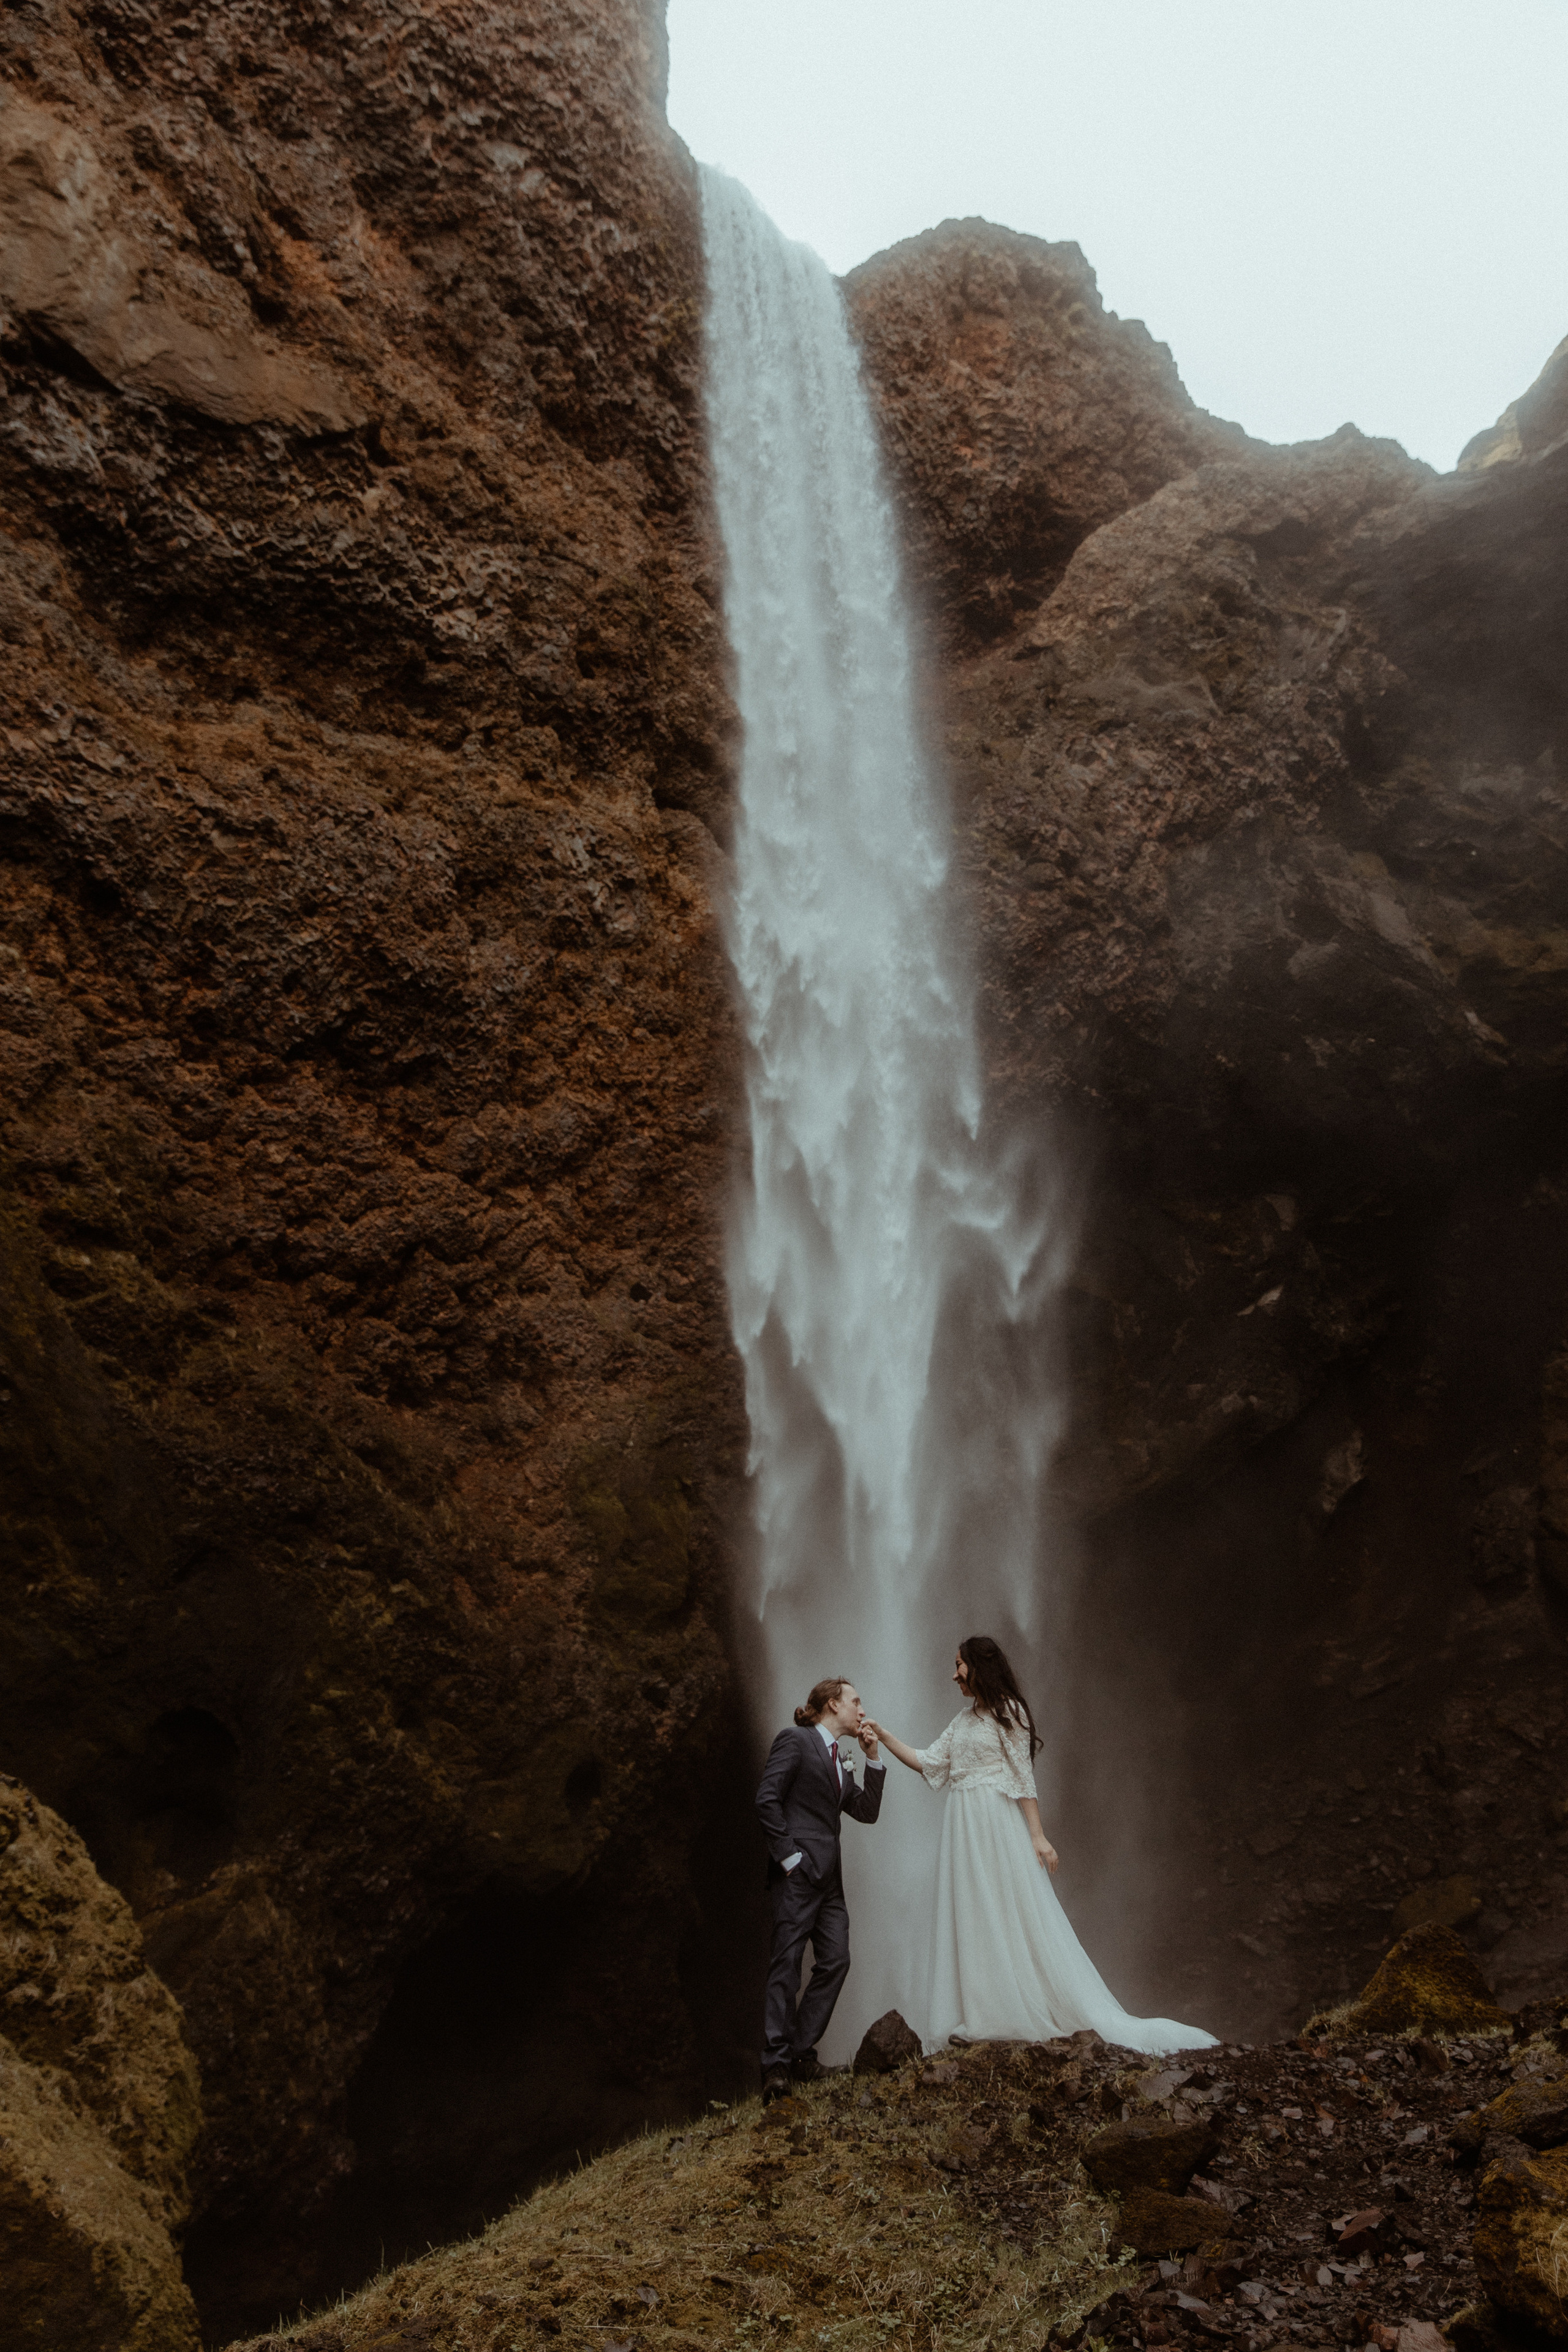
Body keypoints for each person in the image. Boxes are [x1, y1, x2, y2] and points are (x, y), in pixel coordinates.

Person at [867, 1636, 1216, 2056]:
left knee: (1003, 1907)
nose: (953, 1674)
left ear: (979, 1666)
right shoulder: (962, 1721)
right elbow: (928, 1762)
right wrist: (884, 1737)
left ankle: (1005, 2013)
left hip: (996, 1825)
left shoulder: (1008, 1712)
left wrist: (1038, 1835)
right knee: (975, 1910)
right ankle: (980, 2014)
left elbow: (1022, 1778)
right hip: (964, 1828)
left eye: (959, 1665)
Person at [755, 1676, 886, 2101]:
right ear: (832, 1704)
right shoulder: (795, 1741)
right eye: (856, 1702)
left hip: (830, 1882)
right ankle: (775, 2067)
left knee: (836, 1961)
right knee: (786, 1965)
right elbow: (767, 1799)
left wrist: (873, 1759)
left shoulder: (840, 1758)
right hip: (798, 1876)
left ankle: (799, 2055)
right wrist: (789, 1858)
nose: (862, 1711)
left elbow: (865, 1812)